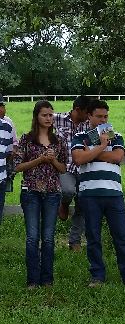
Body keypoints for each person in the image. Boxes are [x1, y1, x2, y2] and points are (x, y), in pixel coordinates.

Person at [71, 99, 125, 286]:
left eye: (105, 116)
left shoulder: (116, 136)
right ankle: (97, 275)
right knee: (93, 237)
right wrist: (100, 147)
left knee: (122, 236)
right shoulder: (80, 136)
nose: (102, 120)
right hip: (89, 194)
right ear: (89, 116)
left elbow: (117, 157)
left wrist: (90, 153)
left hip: (114, 194)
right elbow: (78, 159)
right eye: (98, 116)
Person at [13, 101, 67, 288]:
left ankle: (47, 279)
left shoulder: (59, 140)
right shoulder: (27, 139)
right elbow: (18, 166)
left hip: (52, 193)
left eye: (51, 115)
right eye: (45, 115)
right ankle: (32, 280)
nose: (48, 118)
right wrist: (40, 159)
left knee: (49, 237)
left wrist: (52, 161)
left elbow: (63, 168)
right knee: (32, 237)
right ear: (37, 116)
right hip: (31, 192)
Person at [54, 95, 91, 252]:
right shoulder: (57, 119)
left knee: (82, 203)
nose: (89, 116)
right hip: (66, 167)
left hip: (85, 168)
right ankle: (64, 204)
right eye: (87, 112)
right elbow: (39, 126)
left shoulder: (91, 123)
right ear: (77, 110)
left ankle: (74, 241)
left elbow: (109, 140)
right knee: (68, 190)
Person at [0, 95, 15, 223]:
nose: (2, 109)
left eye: (2, 105)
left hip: (1, 179)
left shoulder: (7, 126)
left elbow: (10, 152)